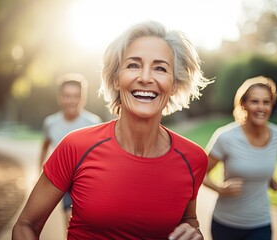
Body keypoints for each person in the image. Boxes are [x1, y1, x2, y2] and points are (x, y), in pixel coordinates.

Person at [12, 20, 212, 240]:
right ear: (116, 79)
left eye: (160, 68)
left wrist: (194, 233)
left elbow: (189, 221)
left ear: (174, 84)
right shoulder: (76, 147)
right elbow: (26, 224)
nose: (145, 78)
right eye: (133, 65)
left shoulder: (193, 159)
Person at [203, 76, 277, 240]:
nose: (261, 107)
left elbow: (257, 161)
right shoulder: (226, 137)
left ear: (272, 104)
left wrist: (268, 177)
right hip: (225, 223)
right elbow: (200, 174)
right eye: (254, 101)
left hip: (260, 223)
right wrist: (220, 188)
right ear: (243, 104)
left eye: (266, 102)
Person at [39, 72, 102, 226]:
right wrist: (40, 175)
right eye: (67, 96)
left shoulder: (94, 122)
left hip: (90, 182)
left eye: (76, 96)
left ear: (83, 98)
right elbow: (44, 148)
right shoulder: (50, 123)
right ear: (60, 98)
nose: (72, 100)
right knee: (70, 222)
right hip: (66, 183)